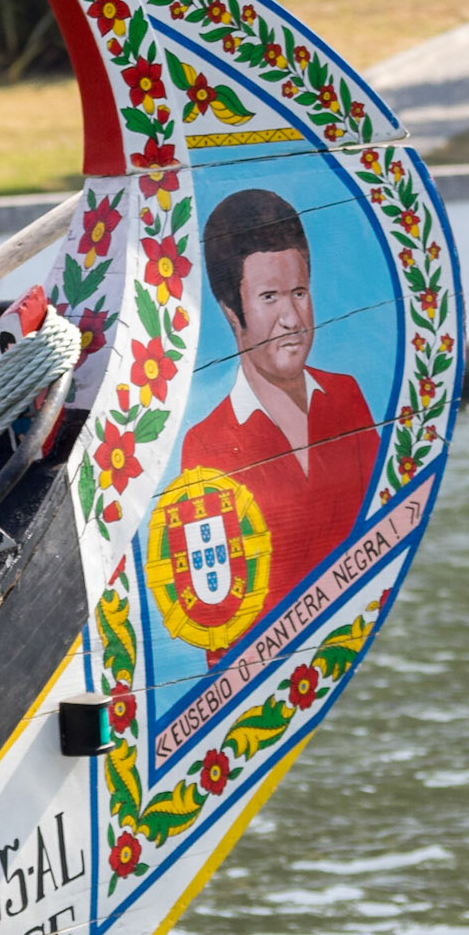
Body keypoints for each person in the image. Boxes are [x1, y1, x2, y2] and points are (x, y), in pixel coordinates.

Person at [179, 188, 379, 627]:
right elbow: (217, 614)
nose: (292, 317)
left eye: (300, 293)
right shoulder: (206, 446)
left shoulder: (347, 398)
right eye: (269, 297)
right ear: (232, 312)